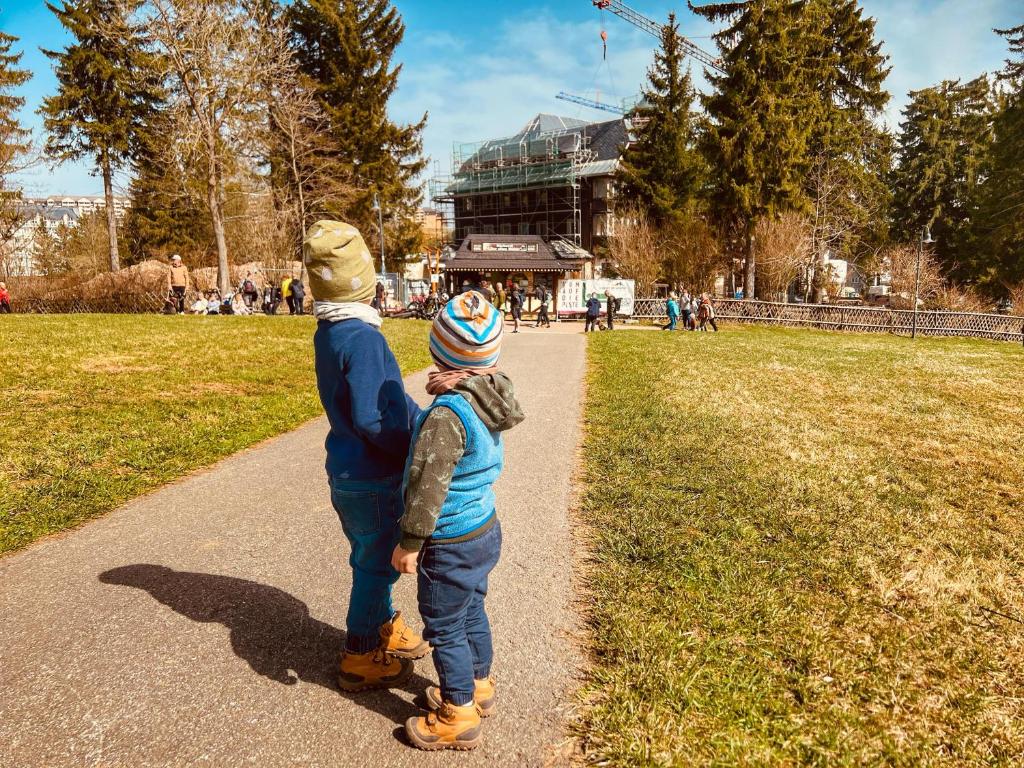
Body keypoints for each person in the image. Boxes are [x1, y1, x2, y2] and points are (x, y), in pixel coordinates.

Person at [391, 291, 524, 752]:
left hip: (449, 539)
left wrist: (410, 541)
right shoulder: (492, 395)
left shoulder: (447, 415)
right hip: (484, 528)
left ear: (438, 352)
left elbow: (428, 486)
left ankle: (457, 712)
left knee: (444, 624)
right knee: (470, 611)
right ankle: (479, 684)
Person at [306, 219, 428, 692]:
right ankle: (359, 654)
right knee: (375, 566)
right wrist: (413, 442)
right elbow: (378, 416)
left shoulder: (330, 332)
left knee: (370, 556)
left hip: (347, 471)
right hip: (374, 474)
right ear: (367, 283)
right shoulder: (363, 338)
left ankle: (382, 625)